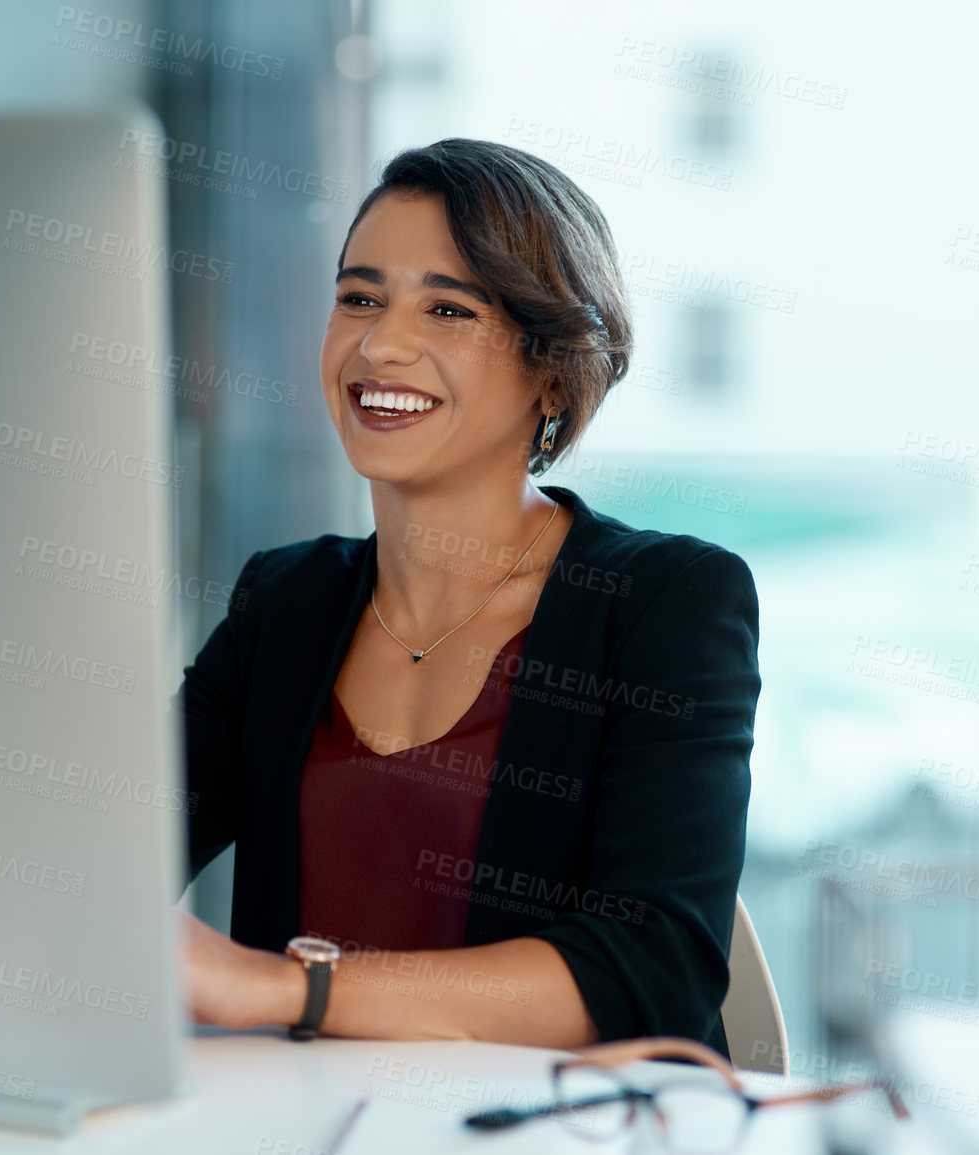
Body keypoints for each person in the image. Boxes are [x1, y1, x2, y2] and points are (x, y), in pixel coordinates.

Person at [176, 138, 761, 1056]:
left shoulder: (665, 600)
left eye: (448, 309)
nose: (380, 344)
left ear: (555, 374)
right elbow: (110, 849)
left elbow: (651, 969)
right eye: (358, 298)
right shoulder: (281, 601)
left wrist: (286, 987)